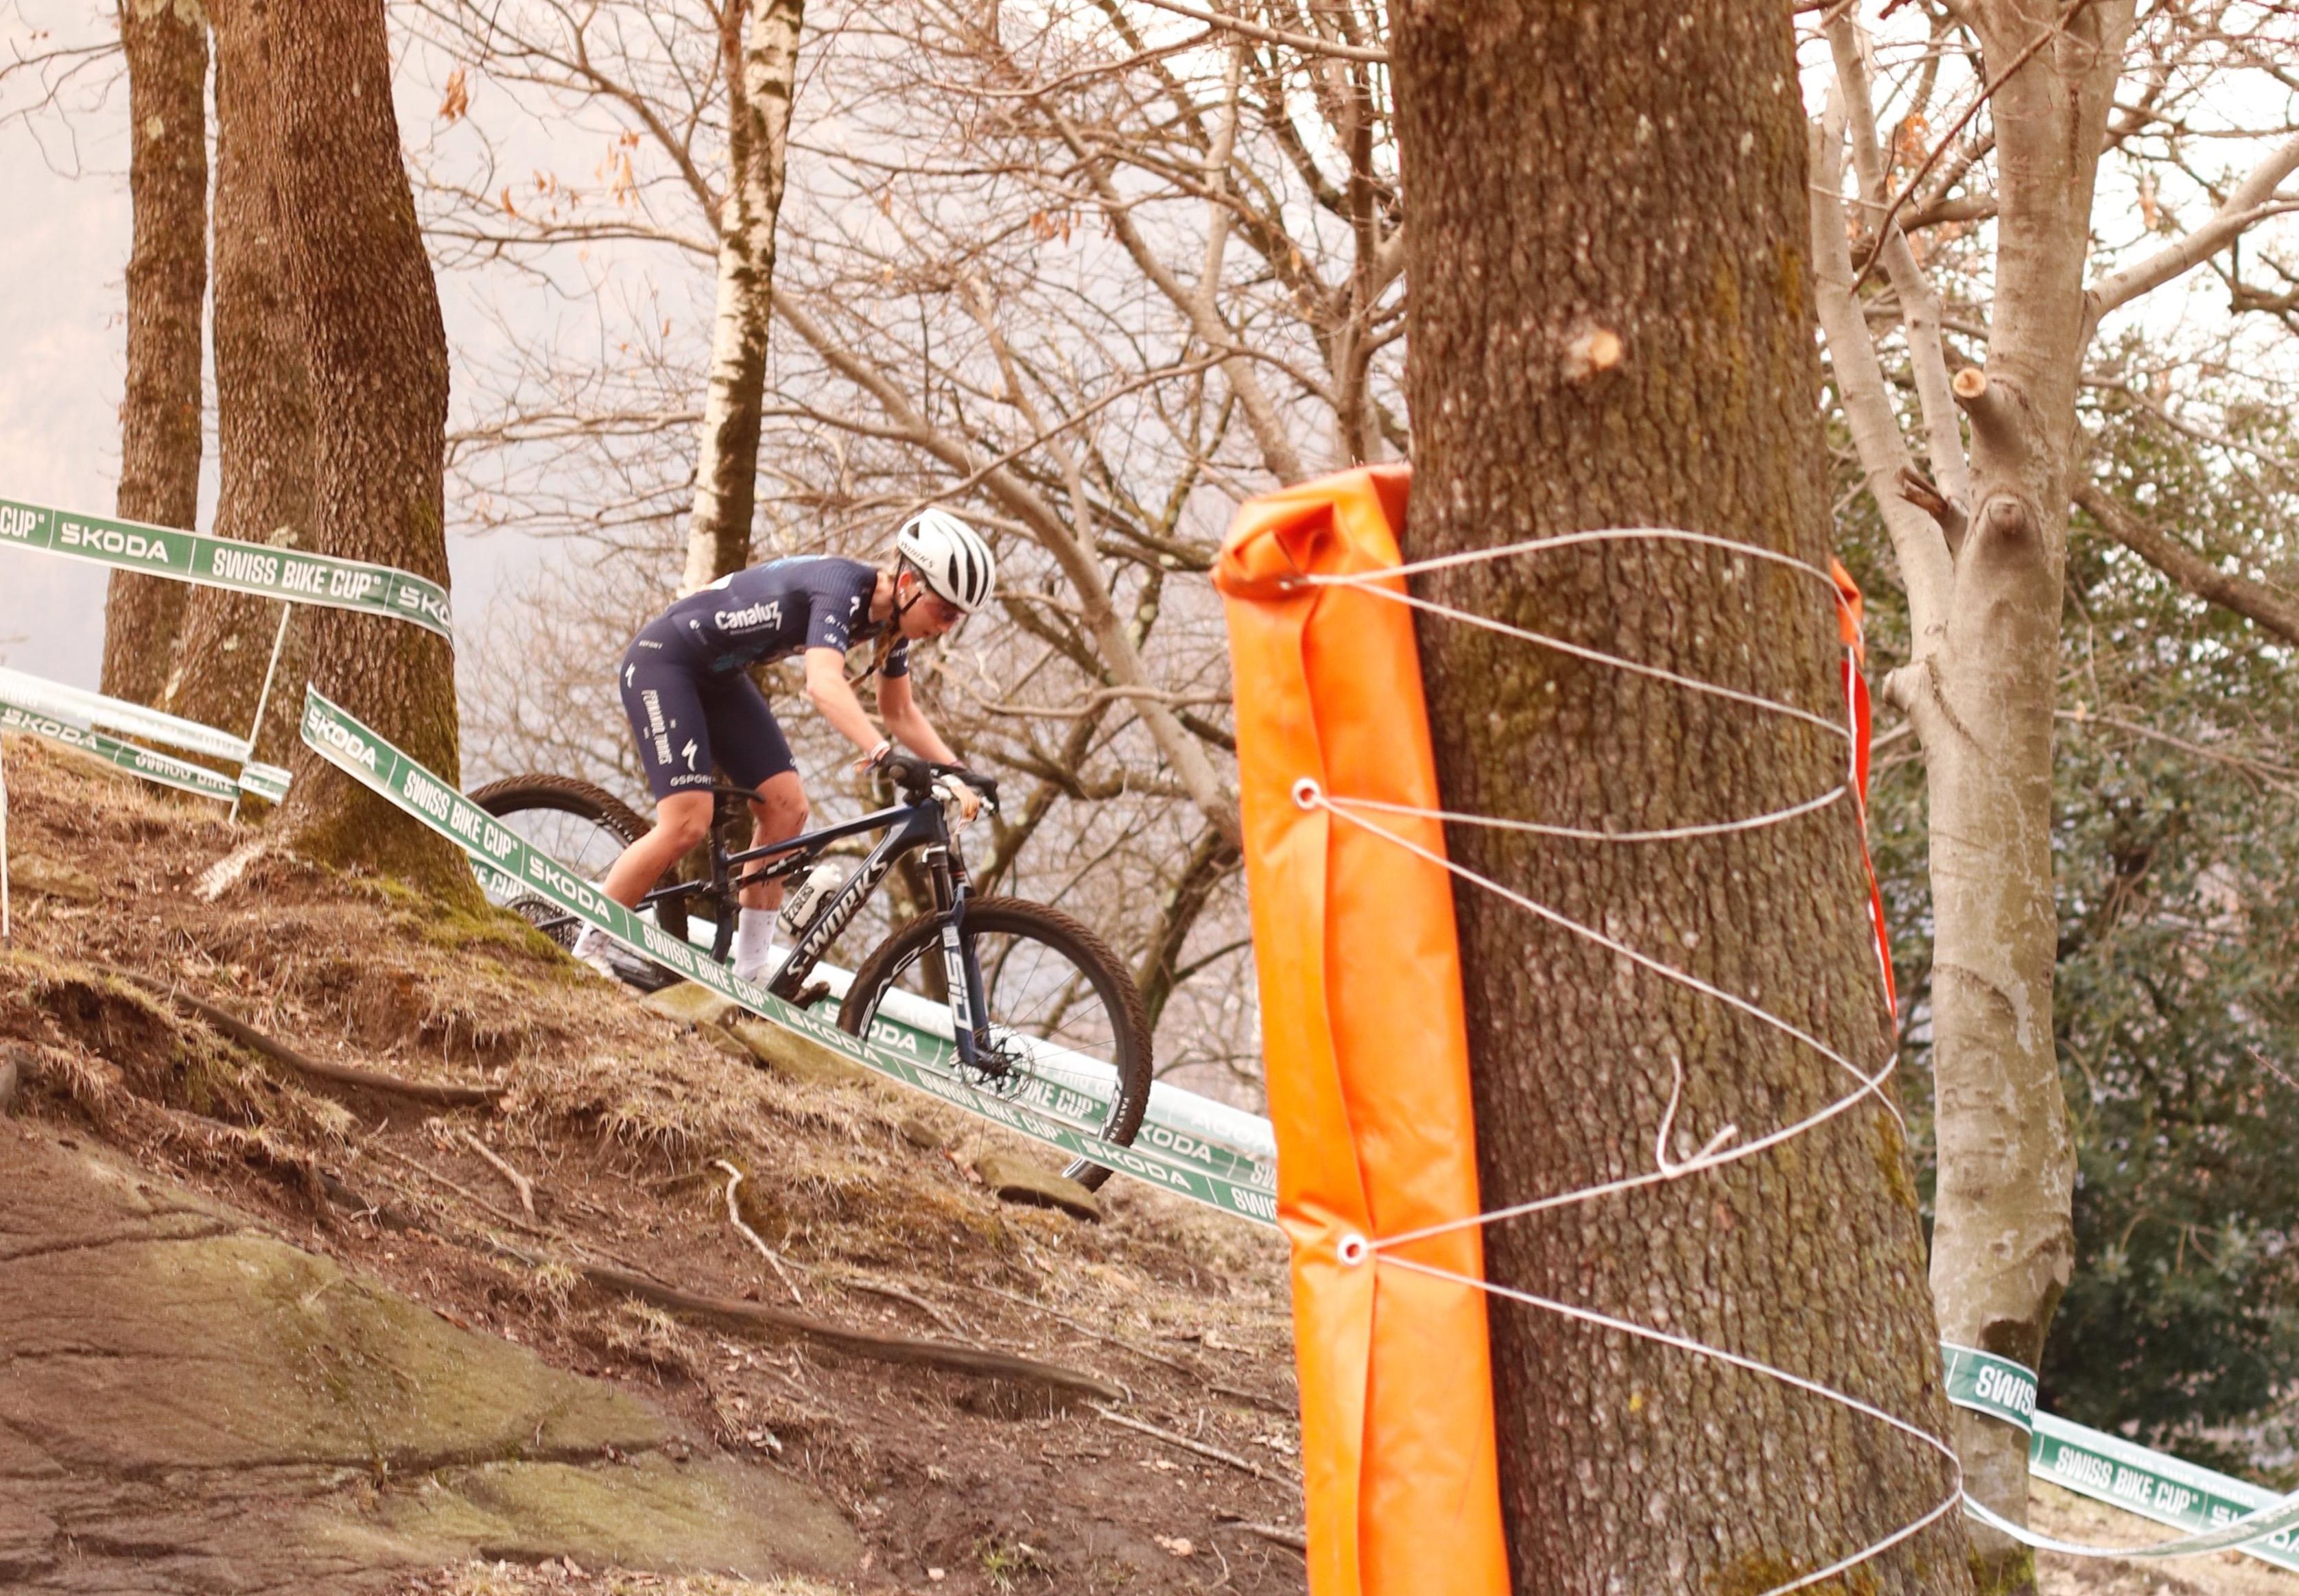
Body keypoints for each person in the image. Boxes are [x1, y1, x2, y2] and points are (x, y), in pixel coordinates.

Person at [571, 508, 995, 984]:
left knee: (786, 810)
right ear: (908, 584)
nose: (946, 626)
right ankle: (587, 947)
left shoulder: (888, 624)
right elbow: (822, 683)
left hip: (719, 677)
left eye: (956, 618)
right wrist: (881, 753)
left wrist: (958, 769)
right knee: (687, 822)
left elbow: (899, 711)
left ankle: (752, 972)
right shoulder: (840, 588)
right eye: (944, 611)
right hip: (664, 664)